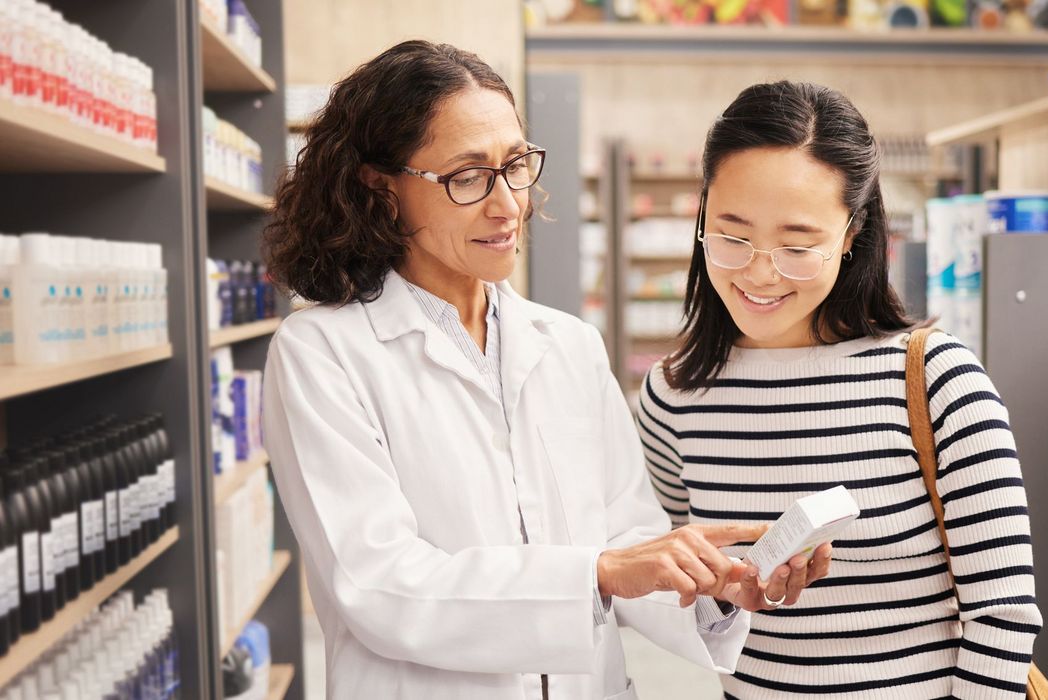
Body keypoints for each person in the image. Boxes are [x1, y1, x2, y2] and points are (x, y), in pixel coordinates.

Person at [259, 41, 830, 699]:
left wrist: (711, 582)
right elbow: (378, 582)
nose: (507, 206)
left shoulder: (568, 345)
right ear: (379, 186)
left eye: (515, 166)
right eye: (466, 176)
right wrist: (600, 572)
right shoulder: (323, 353)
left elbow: (624, 536)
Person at [636, 81, 1043, 698]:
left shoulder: (937, 380)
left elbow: (1003, 615)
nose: (759, 272)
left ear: (851, 235)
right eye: (732, 234)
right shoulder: (672, 396)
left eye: (798, 245)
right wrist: (721, 590)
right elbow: (674, 598)